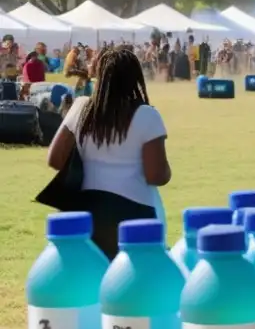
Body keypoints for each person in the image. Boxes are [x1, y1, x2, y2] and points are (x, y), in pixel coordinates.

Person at [45, 47, 171, 259]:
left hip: (85, 213)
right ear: (135, 79)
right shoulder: (147, 115)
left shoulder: (81, 106)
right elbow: (156, 175)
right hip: (134, 215)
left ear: (99, 77)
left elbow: (55, 159)